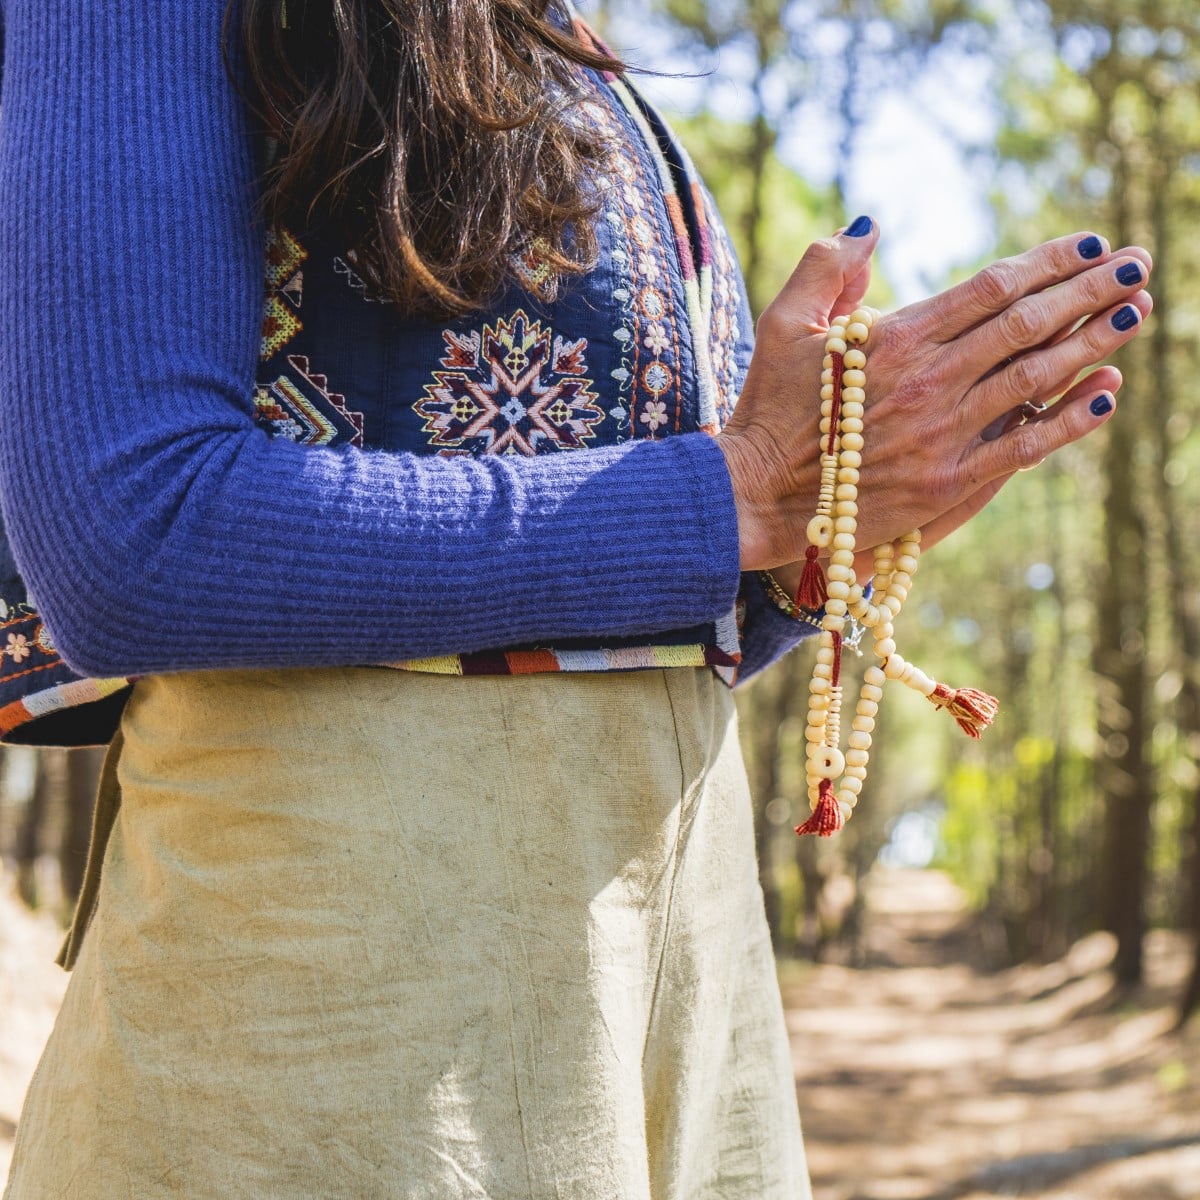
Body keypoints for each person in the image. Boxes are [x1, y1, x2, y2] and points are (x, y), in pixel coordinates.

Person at [0, 1, 1152, 1196]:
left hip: (681, 973)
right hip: (338, 996)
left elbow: (620, 612)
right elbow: (128, 530)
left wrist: (795, 553)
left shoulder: (572, 48)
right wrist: (734, 496)